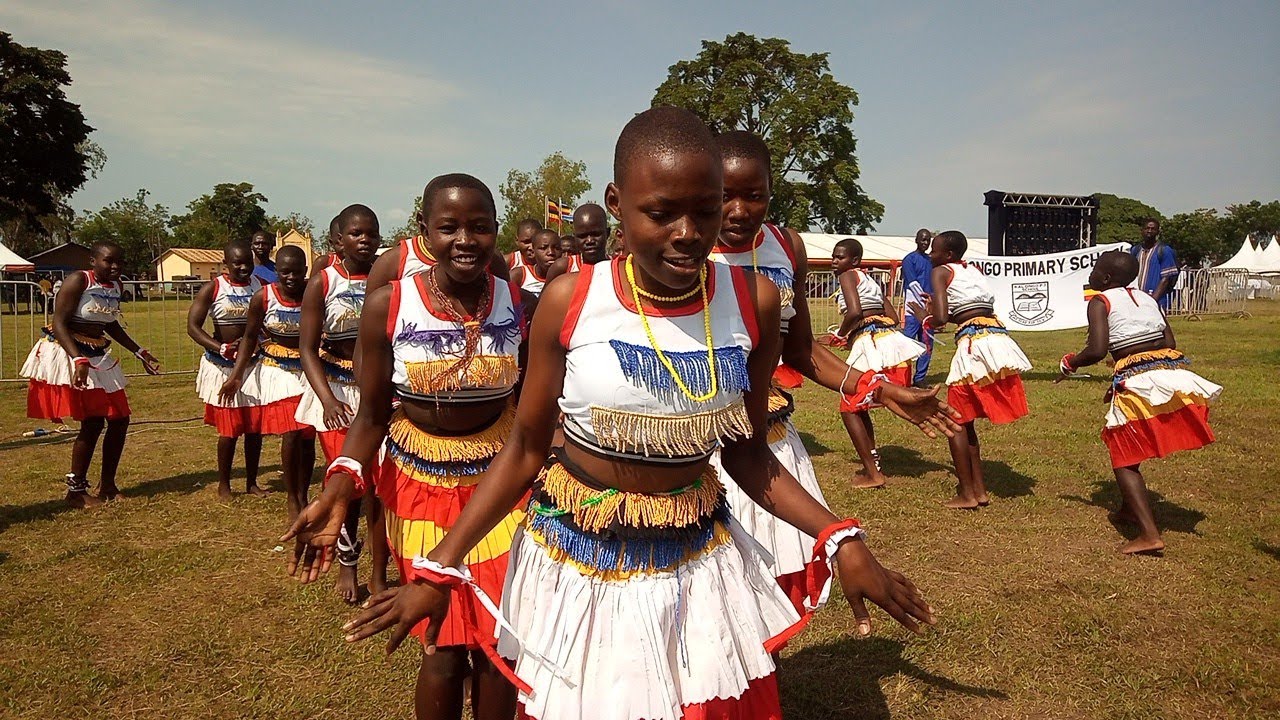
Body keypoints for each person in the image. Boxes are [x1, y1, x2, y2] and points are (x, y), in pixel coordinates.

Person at [302, 107, 934, 719]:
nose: (688, 233)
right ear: (617, 203)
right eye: (660, 213)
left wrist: (839, 537)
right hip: (578, 567)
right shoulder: (570, 301)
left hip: (697, 563)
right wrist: (441, 567)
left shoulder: (754, 301)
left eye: (705, 211)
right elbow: (524, 451)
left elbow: (746, 451)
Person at [289, 174, 527, 719]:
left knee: (501, 641)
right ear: (424, 231)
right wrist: (339, 487)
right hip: (421, 491)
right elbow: (372, 417)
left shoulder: (517, 300)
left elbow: (529, 401)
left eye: (480, 227)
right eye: (449, 228)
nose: (465, 239)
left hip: (502, 489)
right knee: (443, 644)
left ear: (496, 232)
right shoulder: (388, 305)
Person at [708, 129, 954, 613]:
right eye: (722, 195)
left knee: (767, 590)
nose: (738, 211)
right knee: (715, 593)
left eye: (754, 196)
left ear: (771, 192)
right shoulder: (679, 248)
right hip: (697, 443)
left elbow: (802, 351)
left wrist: (879, 390)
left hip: (765, 439)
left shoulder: (786, 245)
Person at [1058, 251, 1220, 554]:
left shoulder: (1100, 301)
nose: (1091, 276)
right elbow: (1168, 341)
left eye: (1095, 271)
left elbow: (1096, 349)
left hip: (1137, 376)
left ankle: (1149, 534)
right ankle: (1130, 509)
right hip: (1167, 370)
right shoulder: (1148, 299)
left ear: (1104, 278)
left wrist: (1071, 362)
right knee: (1131, 441)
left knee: (1121, 453)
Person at [21, 241, 161, 507]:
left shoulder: (116, 286)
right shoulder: (78, 281)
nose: (115, 267)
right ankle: (76, 490)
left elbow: (110, 324)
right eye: (109, 261)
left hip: (96, 353)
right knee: (94, 420)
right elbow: (59, 323)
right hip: (69, 351)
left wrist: (139, 351)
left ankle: (107, 484)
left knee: (119, 418)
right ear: (93, 261)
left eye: (119, 262)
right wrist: (78, 358)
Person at [296, 204, 381, 603]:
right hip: (338, 392)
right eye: (356, 233)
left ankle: (381, 569)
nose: (365, 240)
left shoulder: (389, 278)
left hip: (379, 389)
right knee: (346, 482)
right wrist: (327, 400)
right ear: (338, 241)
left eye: (371, 233)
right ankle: (347, 560)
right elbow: (307, 349)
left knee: (381, 485)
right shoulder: (323, 283)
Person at [925, 230, 1032, 510]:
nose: (930, 255)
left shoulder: (940, 272)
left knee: (956, 420)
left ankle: (968, 493)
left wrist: (923, 312)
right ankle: (979, 490)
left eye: (934, 250)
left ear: (947, 255)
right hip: (996, 339)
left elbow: (940, 317)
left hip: (975, 344)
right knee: (965, 419)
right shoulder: (974, 270)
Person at [220, 246, 317, 521]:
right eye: (284, 272)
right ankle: (292, 497)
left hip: (308, 366)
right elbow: (250, 337)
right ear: (276, 272)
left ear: (305, 271)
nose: (290, 278)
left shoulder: (313, 292)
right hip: (278, 370)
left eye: (296, 272)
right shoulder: (263, 297)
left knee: (308, 437)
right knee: (292, 431)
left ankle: (303, 492)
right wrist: (236, 375)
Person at [832, 238, 927, 489]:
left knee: (850, 406)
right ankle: (871, 464)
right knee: (857, 406)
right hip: (888, 340)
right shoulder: (870, 280)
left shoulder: (847, 276)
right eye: (833, 257)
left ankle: (873, 472)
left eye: (839, 257)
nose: (834, 262)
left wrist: (840, 335)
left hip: (871, 343)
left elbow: (853, 312)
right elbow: (893, 317)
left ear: (853, 260)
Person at [187, 241, 266, 501]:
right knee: (230, 430)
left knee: (254, 428)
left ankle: (252, 482)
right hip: (223, 365)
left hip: (253, 366)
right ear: (226, 265)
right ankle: (224, 484)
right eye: (237, 264)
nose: (243, 268)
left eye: (248, 263)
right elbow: (193, 327)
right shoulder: (214, 287)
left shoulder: (259, 286)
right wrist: (220, 347)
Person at [901, 228, 934, 386]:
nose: (925, 243)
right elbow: (912, 282)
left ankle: (920, 378)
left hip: (928, 309)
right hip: (913, 307)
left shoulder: (931, 260)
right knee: (908, 342)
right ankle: (903, 377)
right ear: (916, 240)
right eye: (923, 239)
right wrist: (923, 301)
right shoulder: (909, 259)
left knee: (927, 343)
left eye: (928, 240)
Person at [545, 203, 609, 283]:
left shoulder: (619, 267)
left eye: (595, 234)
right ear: (575, 237)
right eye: (582, 236)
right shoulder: (563, 267)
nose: (589, 241)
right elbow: (546, 295)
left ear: (607, 233)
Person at [1129, 219, 1178, 310]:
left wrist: (1153, 300)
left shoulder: (1164, 251)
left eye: (1153, 229)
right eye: (1147, 228)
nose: (1149, 231)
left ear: (1158, 232)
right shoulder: (1135, 250)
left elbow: (1166, 278)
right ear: (1142, 230)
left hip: (1157, 300)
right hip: (1136, 299)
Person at [511, 229, 560, 297]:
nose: (551, 252)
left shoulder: (568, 278)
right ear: (533, 251)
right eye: (543, 248)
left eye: (556, 248)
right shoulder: (519, 275)